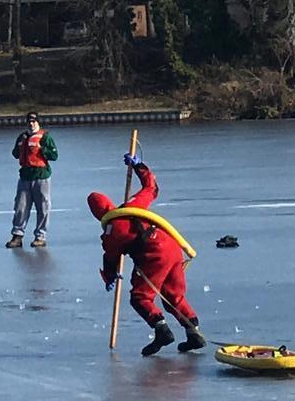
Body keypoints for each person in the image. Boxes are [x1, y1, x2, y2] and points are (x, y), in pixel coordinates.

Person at [87, 153, 206, 357]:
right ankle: (193, 332)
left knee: (140, 297)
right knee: (173, 295)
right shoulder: (134, 205)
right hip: (172, 245)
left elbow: (111, 257)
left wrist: (109, 276)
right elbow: (151, 188)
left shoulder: (110, 231)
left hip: (153, 256)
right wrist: (139, 166)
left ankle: (162, 330)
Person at [6, 112, 58, 249]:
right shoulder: (22, 137)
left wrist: (42, 149)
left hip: (41, 176)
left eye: (34, 121)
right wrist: (19, 148)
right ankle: (17, 235)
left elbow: (54, 155)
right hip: (25, 176)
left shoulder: (45, 137)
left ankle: (40, 236)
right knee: (20, 206)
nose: (31, 123)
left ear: (38, 122)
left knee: (43, 207)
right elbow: (15, 154)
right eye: (29, 121)